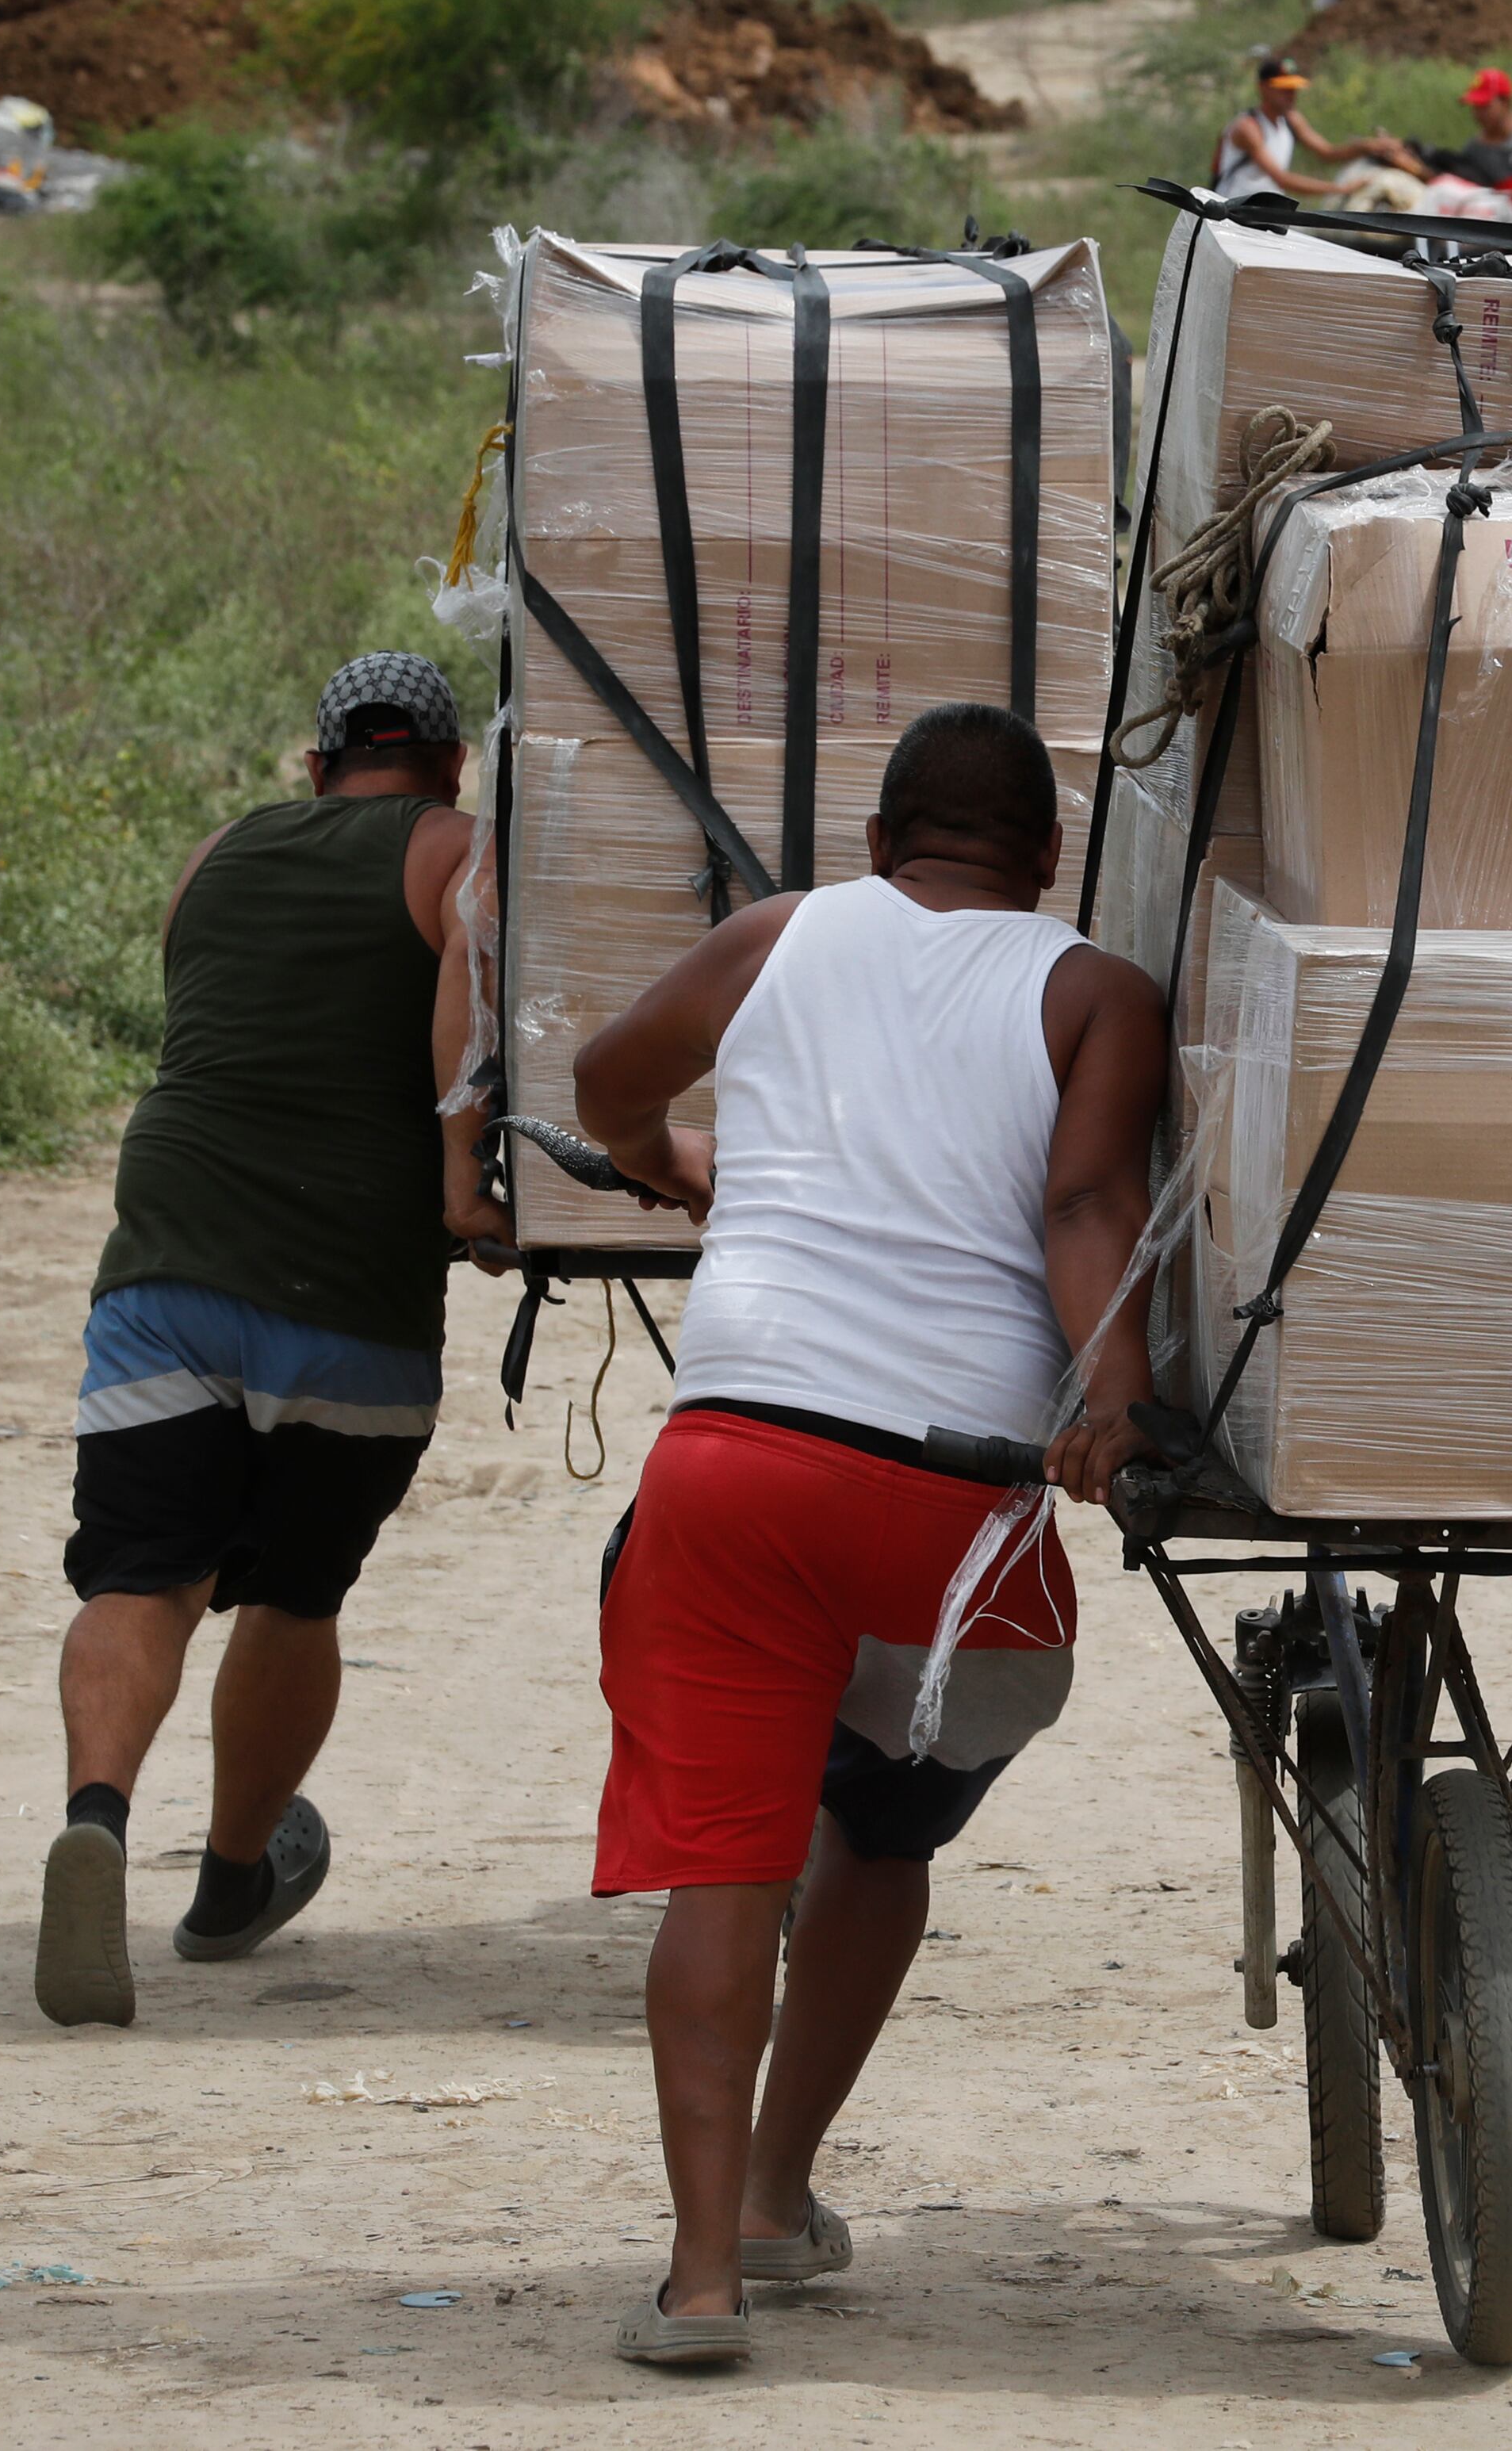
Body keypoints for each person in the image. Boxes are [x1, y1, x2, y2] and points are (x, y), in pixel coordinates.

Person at [568, 703, 1164, 2369]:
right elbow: (1084, 1206)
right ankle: (779, 2184)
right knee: (881, 1839)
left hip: (730, 1466)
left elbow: (607, 1075)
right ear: (1048, 857)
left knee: (725, 1862)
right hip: (950, 1504)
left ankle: (699, 2281)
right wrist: (1109, 1403)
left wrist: (664, 1161)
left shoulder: (780, 933)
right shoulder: (1091, 986)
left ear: (880, 832)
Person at [30, 650, 498, 2030]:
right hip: (349, 1277)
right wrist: (465, 1185)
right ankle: (235, 1877)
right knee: (296, 1594)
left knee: (142, 1573)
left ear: (318, 765)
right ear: (449, 765)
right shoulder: (455, 849)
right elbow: (469, 990)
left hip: (172, 1251)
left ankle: (99, 1821)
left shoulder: (216, 855)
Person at [1212, 52, 1408, 201]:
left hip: (1263, 212)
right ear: (1263, 88)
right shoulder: (1248, 127)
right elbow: (1281, 179)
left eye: (1293, 89)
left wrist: (1367, 146)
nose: (1291, 94)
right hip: (1233, 213)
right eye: (1284, 89)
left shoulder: (1292, 120)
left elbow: (1327, 153)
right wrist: (1340, 189)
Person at [1424, 64, 1512, 222]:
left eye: (1485, 106)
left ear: (1506, 102)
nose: (1478, 114)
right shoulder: (1474, 150)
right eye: (1475, 107)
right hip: (1502, 239)